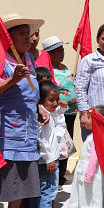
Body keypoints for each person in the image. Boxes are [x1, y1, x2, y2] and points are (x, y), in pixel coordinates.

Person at [0, 13, 44, 208]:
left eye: (29, 33)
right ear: (9, 38)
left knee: (22, 176)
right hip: (3, 128)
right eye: (22, 34)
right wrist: (12, 80)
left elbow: (31, 92)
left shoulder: (30, 59)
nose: (28, 38)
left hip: (27, 127)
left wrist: (40, 107)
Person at [29, 80, 68, 208]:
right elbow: (44, 141)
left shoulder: (45, 113)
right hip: (48, 160)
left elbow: (56, 112)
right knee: (48, 192)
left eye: (57, 100)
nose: (55, 103)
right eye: (51, 100)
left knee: (37, 191)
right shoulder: (44, 118)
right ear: (40, 100)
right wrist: (50, 159)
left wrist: (62, 107)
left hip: (42, 160)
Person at [43, 35, 77, 185]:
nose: (62, 53)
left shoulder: (65, 68)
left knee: (67, 143)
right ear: (49, 54)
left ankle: (62, 174)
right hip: (58, 113)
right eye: (58, 51)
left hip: (71, 112)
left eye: (62, 50)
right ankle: (56, 172)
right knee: (57, 141)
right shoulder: (49, 71)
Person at [68, 105, 104, 208]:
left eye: (89, 117)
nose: (85, 119)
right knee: (84, 193)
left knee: (94, 193)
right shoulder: (91, 136)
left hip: (92, 172)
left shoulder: (96, 138)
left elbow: (94, 158)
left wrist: (89, 174)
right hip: (84, 169)